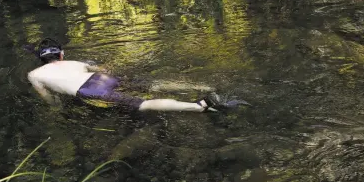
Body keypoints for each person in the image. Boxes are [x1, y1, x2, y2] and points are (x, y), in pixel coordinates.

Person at [25, 38, 249, 112]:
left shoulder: (34, 74)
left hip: (90, 90)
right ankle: (203, 86)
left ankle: (199, 106)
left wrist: (57, 108)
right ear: (61, 55)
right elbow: (103, 69)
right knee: (152, 85)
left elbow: (48, 98)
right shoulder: (74, 62)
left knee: (144, 104)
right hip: (101, 79)